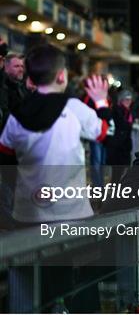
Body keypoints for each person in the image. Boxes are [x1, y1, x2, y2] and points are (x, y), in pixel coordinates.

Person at [0, 44, 112, 224]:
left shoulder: (16, 116)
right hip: (71, 211)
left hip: (27, 211)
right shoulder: (75, 108)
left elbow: (6, 159)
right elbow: (108, 134)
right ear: (61, 76)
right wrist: (101, 103)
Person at [106, 89, 134, 183]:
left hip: (123, 147)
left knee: (120, 173)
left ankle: (116, 192)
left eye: (130, 100)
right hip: (118, 148)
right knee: (117, 174)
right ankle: (115, 193)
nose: (128, 102)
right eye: (126, 99)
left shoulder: (127, 112)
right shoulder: (118, 111)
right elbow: (122, 126)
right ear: (121, 100)